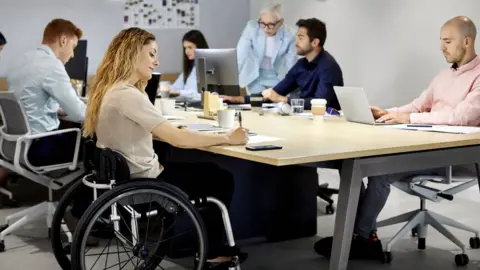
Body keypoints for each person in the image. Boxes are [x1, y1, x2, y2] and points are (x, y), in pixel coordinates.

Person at [314, 16, 480, 260]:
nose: (441, 46)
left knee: (380, 170)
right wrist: (389, 113)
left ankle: (358, 238)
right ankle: (358, 236)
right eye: (441, 41)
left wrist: (409, 119)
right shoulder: (444, 76)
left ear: (466, 42)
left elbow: (460, 117)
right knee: (362, 163)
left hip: (458, 155)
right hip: (428, 148)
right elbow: (418, 104)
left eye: (447, 41)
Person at [83, 27, 249, 268]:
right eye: (151, 54)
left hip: (123, 177)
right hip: (145, 181)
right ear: (132, 55)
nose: (157, 61)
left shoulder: (108, 90)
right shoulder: (128, 95)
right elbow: (178, 139)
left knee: (186, 164)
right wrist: (227, 138)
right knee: (219, 177)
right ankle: (211, 251)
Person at [7, 18, 86, 167]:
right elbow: (79, 114)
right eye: (73, 46)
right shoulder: (51, 65)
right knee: (92, 145)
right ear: (63, 40)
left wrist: (57, 110)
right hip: (39, 147)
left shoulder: (21, 60)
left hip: (15, 144)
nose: (73, 55)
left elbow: (29, 103)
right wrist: (101, 113)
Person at [223, 18, 344, 111]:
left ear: (315, 42)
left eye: (301, 38)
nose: (296, 42)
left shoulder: (328, 67)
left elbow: (321, 102)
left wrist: (283, 99)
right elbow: (275, 93)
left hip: (328, 123)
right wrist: (236, 99)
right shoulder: (301, 64)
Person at [236, 2, 296, 95]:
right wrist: (233, 78)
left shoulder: (290, 35)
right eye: (263, 23)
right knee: (258, 104)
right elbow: (241, 54)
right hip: (255, 76)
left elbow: (291, 64)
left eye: (270, 24)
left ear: (280, 23)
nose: (266, 29)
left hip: (278, 78)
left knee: (278, 106)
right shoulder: (252, 27)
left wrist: (290, 86)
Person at [169, 29, 209, 102]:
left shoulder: (208, 67)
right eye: (185, 48)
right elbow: (175, 87)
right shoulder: (190, 68)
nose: (186, 51)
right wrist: (163, 89)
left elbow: (200, 94)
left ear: (199, 47)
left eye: (190, 47)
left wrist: (179, 92)